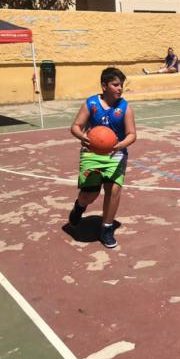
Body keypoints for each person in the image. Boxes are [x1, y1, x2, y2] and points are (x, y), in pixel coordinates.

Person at [68, 67, 137, 249]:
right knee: (90, 194)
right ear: (104, 85)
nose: (119, 88)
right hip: (92, 154)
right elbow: (75, 126)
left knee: (113, 190)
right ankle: (79, 207)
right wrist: (82, 136)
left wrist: (120, 145)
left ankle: (106, 228)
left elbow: (131, 134)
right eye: (115, 85)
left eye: (121, 85)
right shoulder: (91, 104)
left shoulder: (125, 107)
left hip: (116, 153)